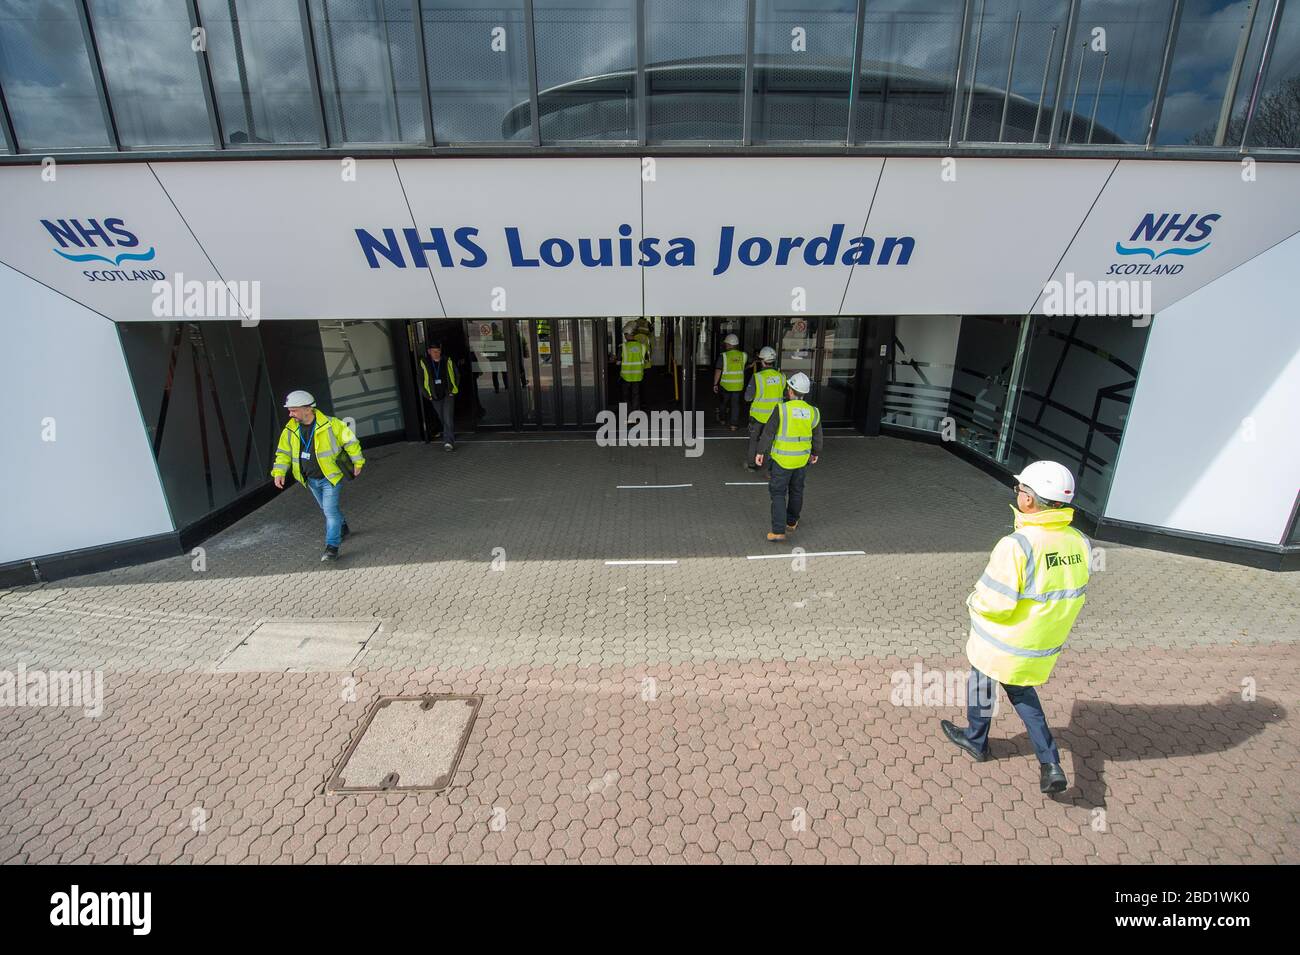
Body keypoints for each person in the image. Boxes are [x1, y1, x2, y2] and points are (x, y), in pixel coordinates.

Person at [939, 460, 1091, 796]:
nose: (1018, 494)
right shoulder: (1080, 542)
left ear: (1029, 500)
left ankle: (976, 740)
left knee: (981, 681)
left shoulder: (1018, 545)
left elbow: (995, 602)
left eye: (1020, 489)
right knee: (1022, 694)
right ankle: (1049, 762)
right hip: (1039, 643)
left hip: (1001, 638)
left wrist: (972, 602)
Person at [271, 390, 364, 562]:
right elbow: (283, 453)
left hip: (330, 478)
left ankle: (332, 547)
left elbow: (350, 441)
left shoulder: (331, 424)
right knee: (328, 510)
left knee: (329, 512)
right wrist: (279, 472)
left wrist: (357, 462)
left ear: (307, 409)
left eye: (293, 410)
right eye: (289, 410)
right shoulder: (290, 429)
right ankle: (342, 527)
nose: (290, 414)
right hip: (311, 480)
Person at [754, 372, 821, 542]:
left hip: (782, 461)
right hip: (801, 461)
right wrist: (815, 453)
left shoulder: (781, 409)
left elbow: (768, 433)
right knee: (797, 490)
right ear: (804, 393)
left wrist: (760, 452)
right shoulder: (813, 412)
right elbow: (818, 436)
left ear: (790, 391)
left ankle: (778, 530)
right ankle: (791, 522)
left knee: (777, 493)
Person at [744, 346, 784, 470]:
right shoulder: (781, 377)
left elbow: (748, 398)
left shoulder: (757, 377)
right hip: (775, 417)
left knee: (754, 440)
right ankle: (771, 469)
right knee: (772, 441)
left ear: (762, 361)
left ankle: (752, 464)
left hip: (758, 416)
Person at [420, 342, 458, 451]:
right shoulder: (424, 363)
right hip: (434, 396)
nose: (436, 353)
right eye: (434, 352)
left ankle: (448, 442)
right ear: (429, 352)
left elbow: (456, 375)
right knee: (442, 417)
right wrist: (427, 395)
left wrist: (453, 391)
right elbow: (420, 380)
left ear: (441, 351)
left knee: (448, 417)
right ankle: (449, 432)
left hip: (448, 394)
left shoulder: (447, 361)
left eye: (438, 351)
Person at [713, 333, 747, 431]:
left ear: (728, 344)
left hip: (726, 385)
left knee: (724, 402)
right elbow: (746, 366)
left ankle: (722, 419)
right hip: (738, 385)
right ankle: (733, 425)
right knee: (735, 404)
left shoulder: (723, 356)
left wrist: (715, 384)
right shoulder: (743, 355)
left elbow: (718, 370)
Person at [617, 321, 646, 411]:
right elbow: (645, 359)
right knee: (636, 396)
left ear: (627, 335)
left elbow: (618, 362)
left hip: (626, 377)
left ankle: (628, 415)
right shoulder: (642, 346)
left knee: (626, 397)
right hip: (637, 376)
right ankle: (636, 415)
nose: (624, 336)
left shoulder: (622, 347)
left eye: (625, 334)